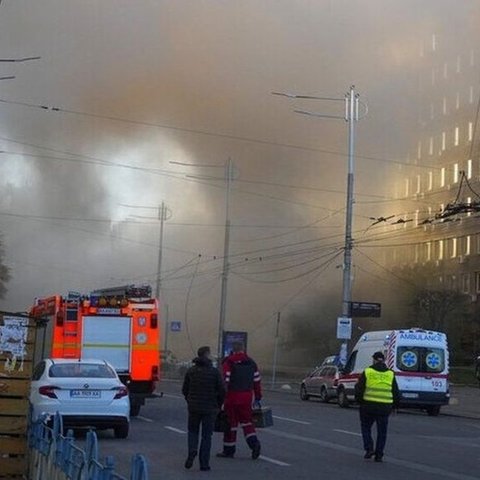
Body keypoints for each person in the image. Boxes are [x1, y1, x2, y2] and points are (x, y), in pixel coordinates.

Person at [182, 346, 225, 471]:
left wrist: (189, 401)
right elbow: (222, 390)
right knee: (207, 436)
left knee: (193, 432)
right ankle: (204, 463)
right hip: (210, 408)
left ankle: (192, 450)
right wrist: (218, 404)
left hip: (194, 408)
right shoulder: (214, 372)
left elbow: (185, 389)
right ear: (207, 355)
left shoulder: (191, 371)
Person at [217, 341, 262, 460]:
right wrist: (257, 397)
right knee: (247, 422)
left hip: (232, 397)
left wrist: (221, 398)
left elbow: (225, 380)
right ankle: (254, 444)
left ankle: (229, 450)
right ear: (244, 349)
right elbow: (257, 381)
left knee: (230, 423)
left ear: (233, 349)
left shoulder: (229, 362)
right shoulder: (251, 362)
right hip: (247, 397)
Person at [354, 351, 400, 463]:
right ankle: (379, 455)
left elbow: (360, 389)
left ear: (374, 360)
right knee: (382, 432)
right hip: (384, 407)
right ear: (383, 360)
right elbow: (395, 391)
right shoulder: (390, 374)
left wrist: (359, 402)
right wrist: (395, 406)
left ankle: (369, 448)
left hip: (368, 406)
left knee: (366, 428)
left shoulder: (367, 372)